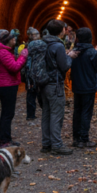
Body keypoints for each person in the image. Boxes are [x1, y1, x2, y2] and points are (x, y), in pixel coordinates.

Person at [40, 20, 76, 155]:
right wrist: (70, 57)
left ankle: (46, 143)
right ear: (61, 31)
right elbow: (64, 66)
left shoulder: (43, 42)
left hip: (43, 83)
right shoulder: (58, 45)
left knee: (46, 113)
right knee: (56, 114)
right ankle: (57, 145)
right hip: (54, 84)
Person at [0, 30, 28, 148]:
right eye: (13, 38)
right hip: (6, 85)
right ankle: (4, 140)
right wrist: (23, 56)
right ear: (8, 40)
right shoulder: (3, 52)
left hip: (7, 84)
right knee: (7, 114)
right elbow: (14, 67)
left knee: (8, 113)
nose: (15, 40)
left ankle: (6, 138)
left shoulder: (4, 51)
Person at [70, 28, 97, 148]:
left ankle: (76, 139)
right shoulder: (92, 52)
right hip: (89, 86)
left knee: (77, 111)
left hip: (77, 86)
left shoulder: (74, 51)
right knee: (86, 112)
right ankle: (84, 139)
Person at [23, 28, 42, 120]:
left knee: (32, 94)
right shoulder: (40, 45)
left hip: (31, 72)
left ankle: (31, 114)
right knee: (36, 93)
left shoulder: (26, 46)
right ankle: (32, 114)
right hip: (36, 72)